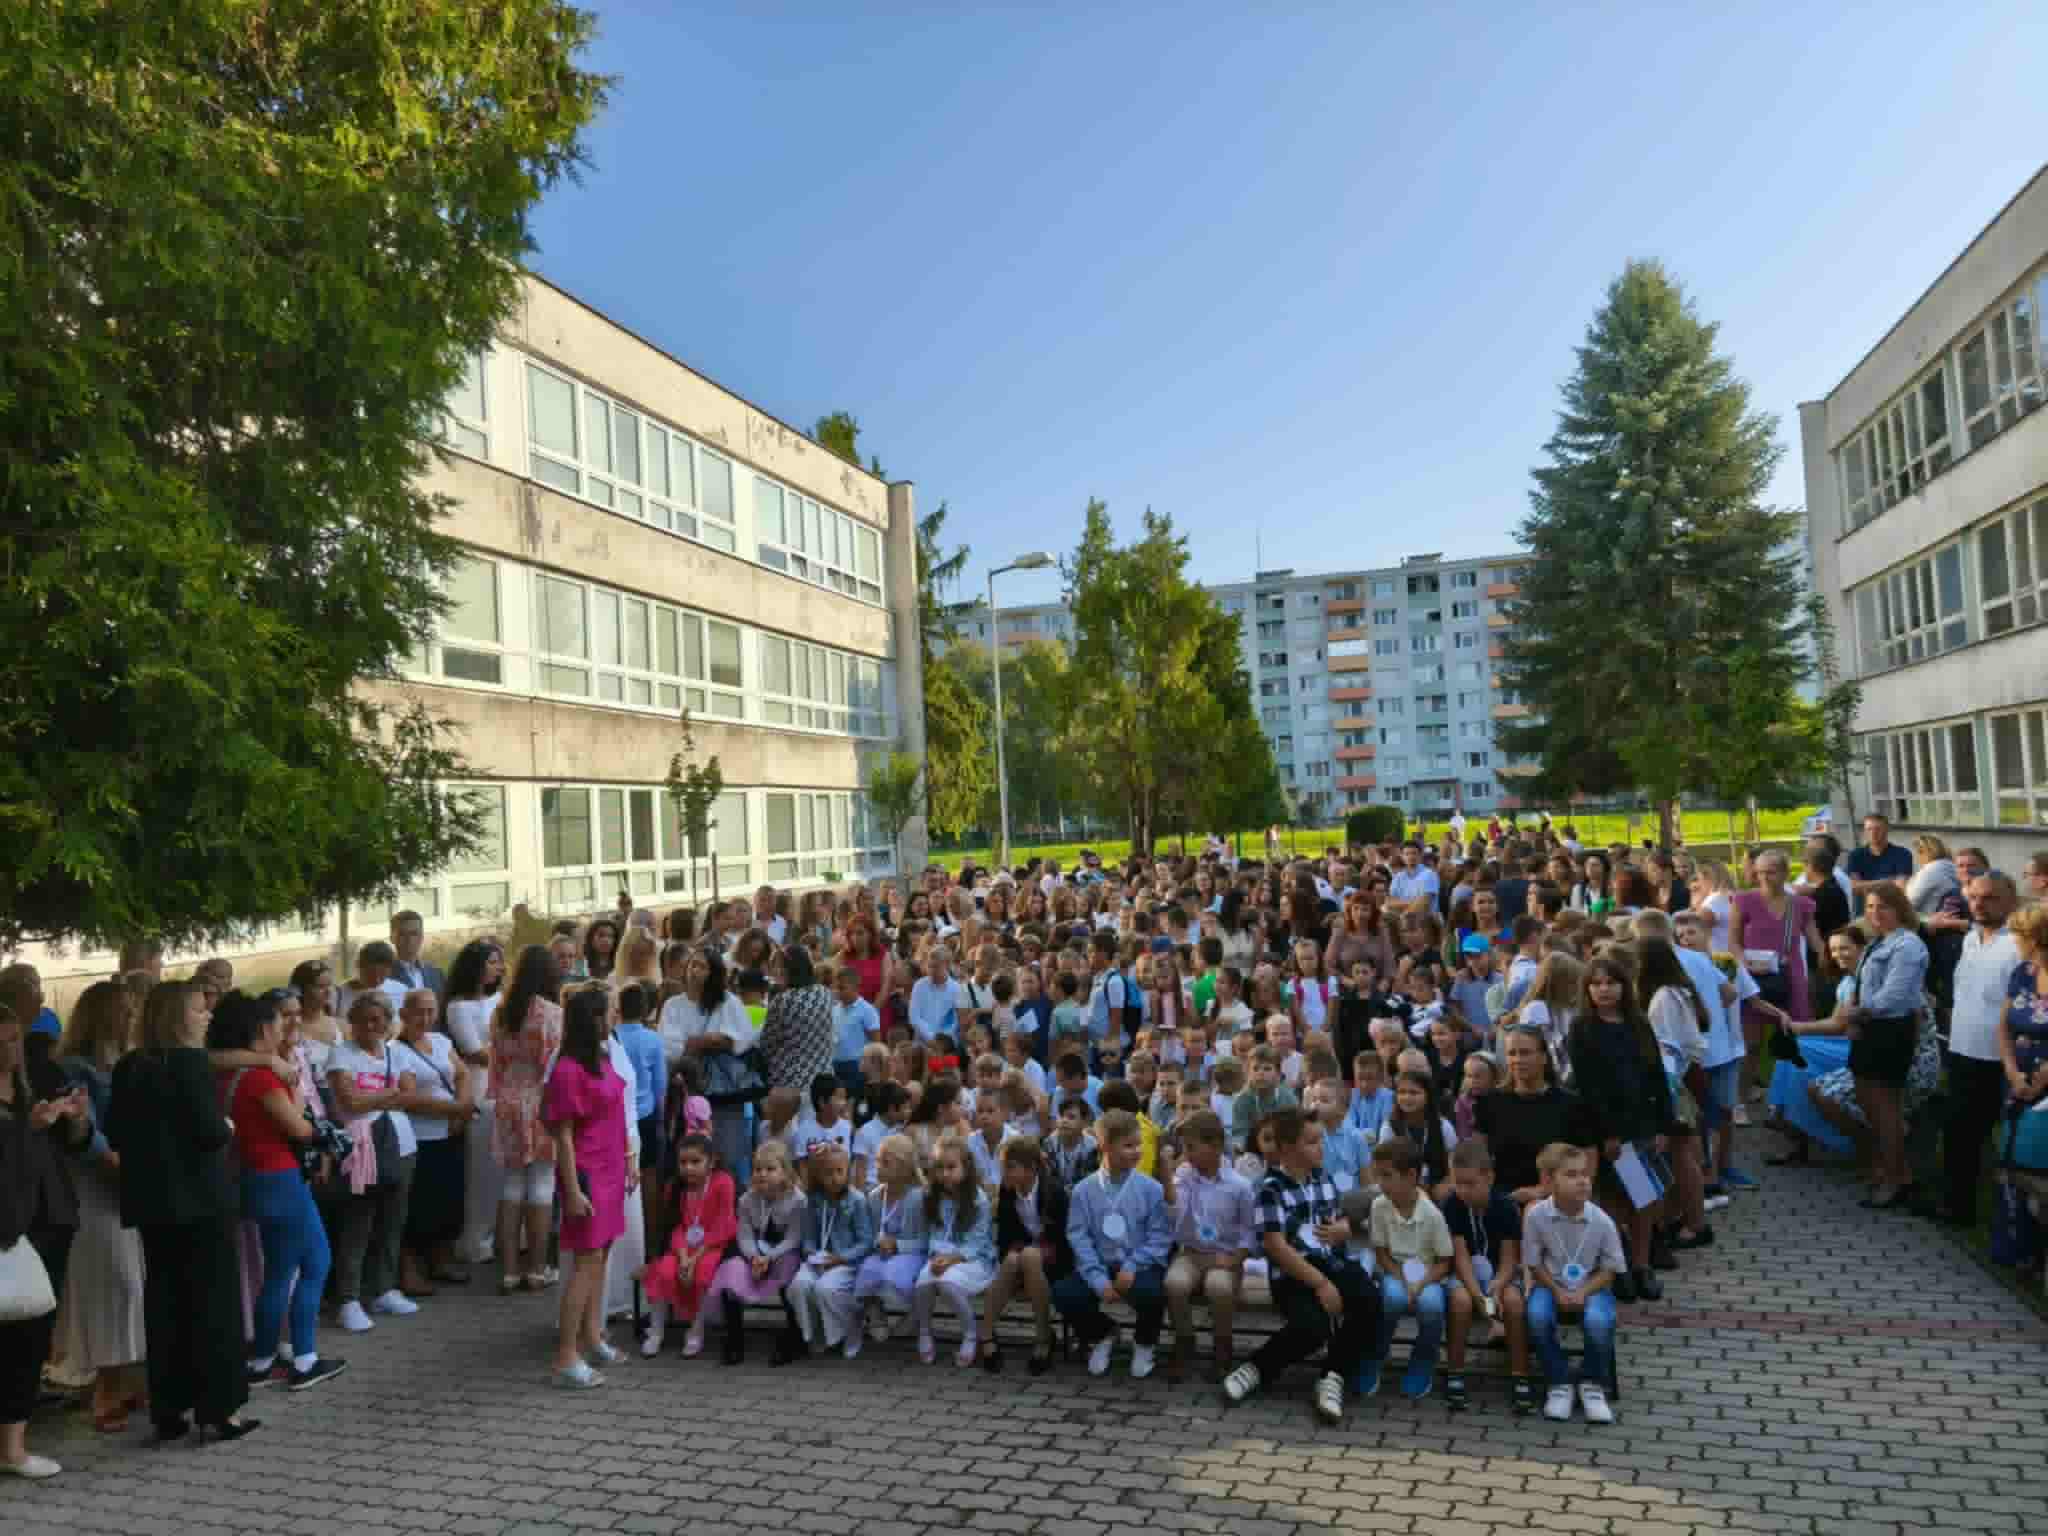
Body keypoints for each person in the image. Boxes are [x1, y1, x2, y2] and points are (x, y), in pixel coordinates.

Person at [107, 980, 256, 1445]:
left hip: (153, 1204)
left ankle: (169, 1409)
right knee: (214, 1304)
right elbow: (209, 1131)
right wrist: (227, 1125)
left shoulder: (130, 1066)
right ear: (175, 1018)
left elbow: (115, 1130)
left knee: (166, 1304)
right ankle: (220, 1409)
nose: (208, 1016)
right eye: (198, 1009)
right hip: (202, 1201)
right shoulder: (191, 1063)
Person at [210, 991, 346, 1393]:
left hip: (252, 1176)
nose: (281, 1028)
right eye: (275, 1021)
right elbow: (300, 1128)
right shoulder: (262, 1077)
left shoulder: (227, 1075)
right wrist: (295, 1083)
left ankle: (263, 1359)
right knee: (316, 1261)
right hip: (280, 1177)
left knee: (280, 1269)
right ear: (260, 1029)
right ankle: (304, 1359)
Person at [1220, 1106, 1378, 1423]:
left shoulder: (1324, 1179)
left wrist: (1343, 1228)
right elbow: (1274, 1245)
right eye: (1312, 1142)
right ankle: (1257, 1368)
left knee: (1370, 1299)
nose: (1322, 1148)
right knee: (1312, 1327)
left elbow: (1339, 1223)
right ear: (1288, 1148)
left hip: (1330, 1263)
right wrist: (1321, 1284)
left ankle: (1333, 1375)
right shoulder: (1270, 1189)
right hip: (1292, 1274)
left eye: (1321, 1140)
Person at [51, 981, 148, 1431]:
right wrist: (116, 1162)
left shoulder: (128, 1062)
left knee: (133, 1282)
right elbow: (82, 1133)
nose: (130, 1017)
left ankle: (125, 1379)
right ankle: (105, 1387)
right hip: (94, 1183)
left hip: (128, 1180)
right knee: (113, 1282)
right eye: (122, 1010)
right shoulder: (74, 1068)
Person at [1, 998, 91, 1478]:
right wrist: (27, 1129)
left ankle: (13, 1445)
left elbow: (72, 1146)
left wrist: (75, 1119)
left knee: (32, 1334)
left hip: (49, 1219)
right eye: (2, 1042)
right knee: (11, 1336)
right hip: (7, 1225)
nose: (10, 1050)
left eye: (15, 1039)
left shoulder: (31, 1082)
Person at [1567, 957, 1673, 1302]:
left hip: (1641, 1123)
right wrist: (1608, 1133)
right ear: (1587, 989)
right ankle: (1618, 1268)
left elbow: (1657, 1075)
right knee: (1613, 1201)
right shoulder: (1583, 1028)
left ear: (1624, 986)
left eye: (1611, 983)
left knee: (1643, 1199)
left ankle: (1642, 1265)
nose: (1604, 990)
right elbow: (1589, 1085)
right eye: (1596, 983)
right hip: (1607, 1129)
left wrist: (1663, 1124)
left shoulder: (1638, 1023)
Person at [542, 989, 632, 1388]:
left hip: (611, 1168)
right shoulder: (567, 1069)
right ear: (592, 1018)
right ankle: (566, 1356)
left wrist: (628, 1159)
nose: (614, 1016)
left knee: (601, 1257)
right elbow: (562, 1136)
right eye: (608, 1011)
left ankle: (593, 1338)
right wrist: (573, 1190)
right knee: (586, 1263)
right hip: (586, 1173)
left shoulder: (603, 1056)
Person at [326, 991, 422, 1333]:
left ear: (388, 1021)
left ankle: (384, 1289)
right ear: (352, 1022)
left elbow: (410, 1096)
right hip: (361, 1148)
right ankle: (348, 1298)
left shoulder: (397, 1053)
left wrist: (373, 1097)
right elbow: (348, 1101)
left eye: (378, 1019)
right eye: (364, 1019)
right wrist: (388, 1094)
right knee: (358, 1221)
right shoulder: (342, 1054)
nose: (371, 1025)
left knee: (393, 1220)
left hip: (401, 1144)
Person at [1056, 1108, 1171, 1378]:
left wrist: (1133, 1265)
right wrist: (1097, 1278)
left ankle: (1144, 1343)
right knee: (1064, 1293)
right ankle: (1102, 1333)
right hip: (1099, 1264)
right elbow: (1078, 1236)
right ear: (1105, 1146)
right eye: (1128, 1146)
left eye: (1138, 1145)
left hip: (1138, 1266)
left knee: (1153, 1293)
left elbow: (1160, 1236)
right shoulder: (1083, 1190)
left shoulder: (1151, 1188)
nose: (1137, 1151)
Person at [1933, 874, 2022, 1225]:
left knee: (2000, 1136)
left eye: (1990, 898)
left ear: (2011, 900)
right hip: (1963, 1049)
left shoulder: (2018, 944)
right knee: (1958, 1131)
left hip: (2001, 1057)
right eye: (1974, 898)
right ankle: (1957, 1207)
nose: (1979, 904)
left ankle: (2003, 1218)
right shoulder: (1970, 938)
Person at [1837, 883, 1929, 1211]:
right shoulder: (1878, 942)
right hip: (1869, 1028)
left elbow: (1896, 994)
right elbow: (1863, 985)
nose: (1875, 913)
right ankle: (1893, 1169)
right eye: (1870, 907)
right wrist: (1854, 1013)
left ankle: (1895, 1180)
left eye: (1883, 907)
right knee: (1868, 1102)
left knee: (1886, 1108)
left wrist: (1857, 1012)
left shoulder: (1908, 945)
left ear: (1900, 908)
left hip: (1890, 1031)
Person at [1522, 1142, 1622, 1424]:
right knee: (1537, 1315)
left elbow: (1610, 1270)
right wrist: (1555, 1290)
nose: (1582, 1181)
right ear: (1548, 1181)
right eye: (1571, 1175)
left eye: (1585, 1174)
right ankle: (1559, 1381)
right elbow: (1534, 1263)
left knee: (1598, 1321)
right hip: (1549, 1284)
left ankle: (1592, 1383)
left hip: (1592, 1286)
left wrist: (1583, 1292)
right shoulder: (1536, 1216)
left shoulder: (1602, 1221)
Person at [390, 988, 476, 1294]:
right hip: (420, 1137)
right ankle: (409, 1270)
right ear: (404, 1014)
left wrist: (461, 1110)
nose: (425, 1018)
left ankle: (440, 1259)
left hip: (450, 1133)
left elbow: (462, 1074)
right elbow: (410, 1098)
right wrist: (457, 1108)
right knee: (418, 1205)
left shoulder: (440, 1041)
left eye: (430, 1011)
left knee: (448, 1200)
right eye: (419, 1011)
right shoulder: (397, 1050)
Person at [489, 945, 562, 1293]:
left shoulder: (502, 1012)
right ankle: (536, 1269)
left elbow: (496, 1061)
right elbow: (553, 1063)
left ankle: (508, 1271)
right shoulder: (551, 1013)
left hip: (508, 1097)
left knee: (512, 1183)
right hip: (540, 1099)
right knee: (542, 1183)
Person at [1162, 1109, 1254, 1383]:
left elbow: (1250, 1231)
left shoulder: (1239, 1186)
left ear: (1215, 1145)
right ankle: (1185, 1340)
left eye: (1191, 1147)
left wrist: (1236, 1259)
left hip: (1224, 1256)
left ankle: (1222, 1346)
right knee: (1174, 1283)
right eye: (1183, 1148)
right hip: (1191, 1254)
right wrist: (1168, 1178)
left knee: (1218, 1286)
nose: (1186, 1155)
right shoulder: (1184, 1176)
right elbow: (1173, 1214)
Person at [1361, 1138, 1454, 1400]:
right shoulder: (1379, 1206)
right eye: (1378, 1175)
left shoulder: (1432, 1214)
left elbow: (1444, 1262)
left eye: (1387, 1176)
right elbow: (1381, 1253)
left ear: (1411, 1176)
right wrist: (1402, 1278)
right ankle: (1375, 1354)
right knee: (1392, 1298)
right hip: (1394, 1270)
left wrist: (1420, 1284)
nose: (1381, 1183)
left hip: (1428, 1274)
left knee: (1432, 1305)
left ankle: (1424, 1358)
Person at [1442, 1138, 1528, 1413]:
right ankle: (1455, 1372)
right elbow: (1460, 1257)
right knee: (1461, 1301)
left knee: (1513, 1302)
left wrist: (1498, 1284)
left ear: (1489, 1177)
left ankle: (1520, 1375)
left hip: (1499, 1275)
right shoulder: (1452, 1205)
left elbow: (1509, 1259)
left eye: (1470, 1183)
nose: (1463, 1190)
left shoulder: (1505, 1207)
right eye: (1458, 1183)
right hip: (1464, 1275)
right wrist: (1478, 1295)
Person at [1731, 850, 1822, 1107]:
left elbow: (1815, 941)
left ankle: (1792, 1098)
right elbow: (1734, 941)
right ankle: (1740, 1099)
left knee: (1795, 1038)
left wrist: (1836, 959)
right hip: (1754, 978)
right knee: (1751, 1044)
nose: (1763, 877)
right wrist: (1744, 964)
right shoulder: (1744, 900)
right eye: (1759, 872)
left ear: (1784, 873)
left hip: (1791, 977)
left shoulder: (1801, 905)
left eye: (1770, 872)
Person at [701, 1140, 803, 1364]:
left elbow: (793, 1238)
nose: (762, 1174)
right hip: (754, 1255)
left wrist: (770, 1257)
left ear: (785, 1172)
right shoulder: (747, 1200)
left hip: (782, 1253)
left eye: (770, 1169)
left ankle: (794, 1336)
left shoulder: (797, 1200)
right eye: (757, 1169)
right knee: (731, 1270)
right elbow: (744, 1236)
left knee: (790, 1268)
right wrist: (754, 1257)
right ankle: (734, 1337)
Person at [639, 1131, 735, 1358]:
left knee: (702, 1274)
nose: (688, 1168)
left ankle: (696, 1330)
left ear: (711, 1162)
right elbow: (675, 1227)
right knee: (664, 1271)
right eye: (683, 1162)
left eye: (695, 1162)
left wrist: (695, 1258)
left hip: (712, 1245)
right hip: (682, 1247)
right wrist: (683, 1257)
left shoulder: (723, 1182)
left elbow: (723, 1224)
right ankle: (656, 1331)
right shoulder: (675, 1187)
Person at [781, 1141, 874, 1362]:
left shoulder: (857, 1200)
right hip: (820, 1260)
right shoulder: (813, 1201)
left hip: (846, 1262)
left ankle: (851, 1327)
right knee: (798, 1286)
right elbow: (808, 1237)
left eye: (839, 1171)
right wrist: (812, 1254)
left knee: (825, 1289)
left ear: (847, 1171)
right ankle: (815, 1331)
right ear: (818, 1175)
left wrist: (841, 1258)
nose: (834, 1178)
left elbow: (866, 1242)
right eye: (828, 1173)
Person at [759, 946, 836, 1092]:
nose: (775, 971)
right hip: (823, 1077)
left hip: (790, 1081)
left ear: (790, 969)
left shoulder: (783, 1000)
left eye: (779, 966)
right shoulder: (824, 992)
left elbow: (767, 1044)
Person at [1846, 812, 1913, 897]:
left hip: (1892, 904)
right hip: (1864, 904)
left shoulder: (1903, 854)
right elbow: (1854, 888)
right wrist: (1888, 881)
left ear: (1887, 830)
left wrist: (1864, 885)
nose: (1873, 833)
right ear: (1864, 831)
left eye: (1878, 829)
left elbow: (1901, 887)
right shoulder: (1855, 855)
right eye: (1869, 829)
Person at [389, 910, 446, 997]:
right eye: (402, 934)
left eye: (414, 934)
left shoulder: (436, 974)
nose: (409, 939)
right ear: (392, 938)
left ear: (422, 937)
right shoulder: (385, 975)